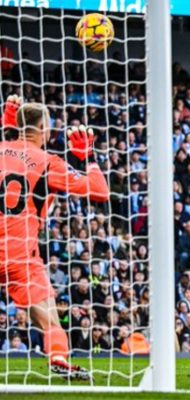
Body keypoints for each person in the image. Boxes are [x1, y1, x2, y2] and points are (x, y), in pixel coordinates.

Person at [0, 96, 109, 379]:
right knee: (50, 322)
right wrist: (88, 157)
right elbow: (100, 191)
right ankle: (58, 358)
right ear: (44, 128)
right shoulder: (47, 161)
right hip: (20, 254)